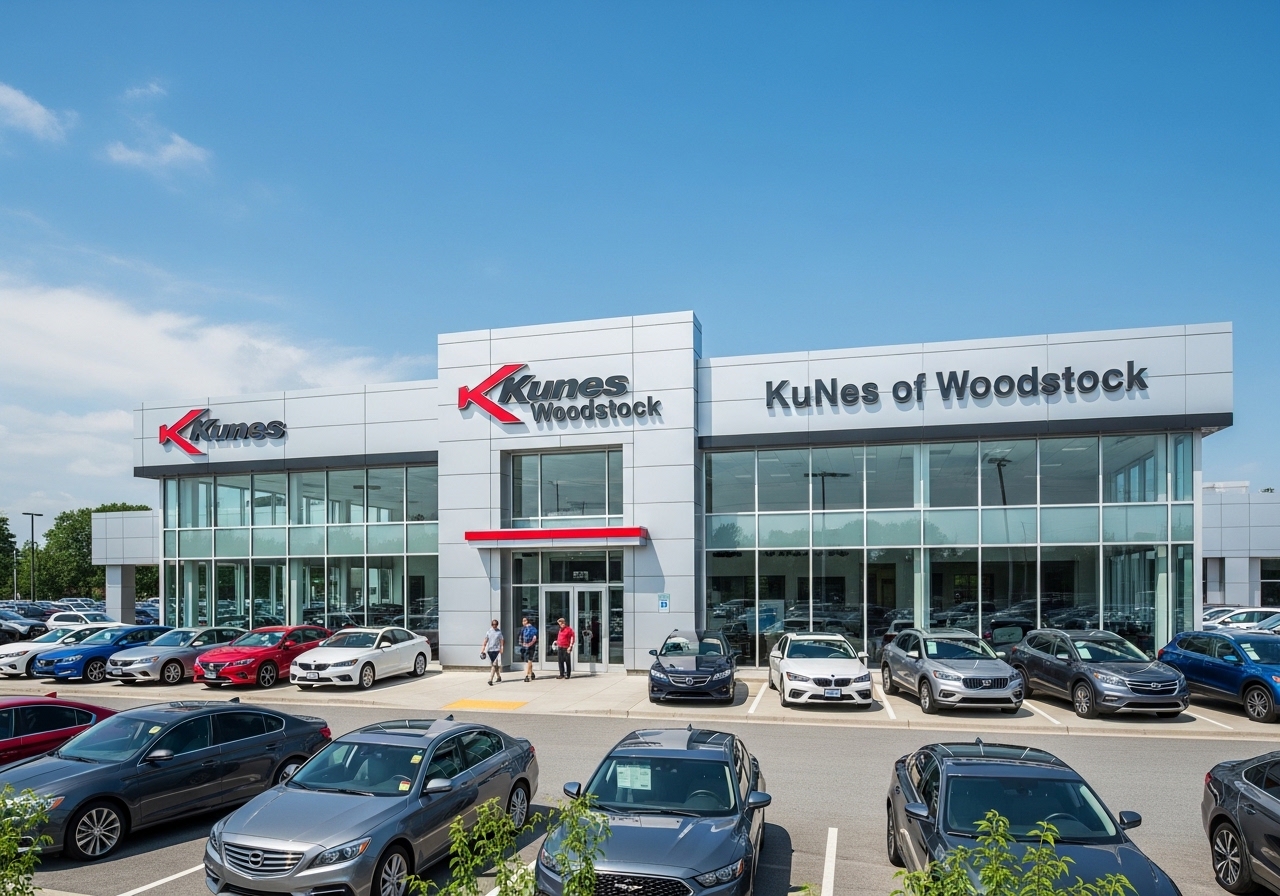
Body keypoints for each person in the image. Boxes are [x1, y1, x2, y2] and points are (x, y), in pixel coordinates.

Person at [480, 619, 504, 685]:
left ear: (497, 624)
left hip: (496, 650)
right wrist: (483, 649)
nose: (494, 625)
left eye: (495, 624)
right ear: (491, 625)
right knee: (495, 665)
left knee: (494, 665)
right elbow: (485, 640)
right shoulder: (488, 632)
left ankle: (490, 679)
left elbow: (501, 640)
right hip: (490, 650)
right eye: (493, 624)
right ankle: (499, 677)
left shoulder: (499, 632)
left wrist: (502, 648)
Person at [519, 616, 538, 682]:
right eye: (523, 621)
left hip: (530, 647)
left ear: (528, 621)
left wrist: (528, 644)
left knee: (529, 661)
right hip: (525, 647)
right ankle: (531, 673)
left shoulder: (532, 629)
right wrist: (522, 645)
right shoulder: (523, 629)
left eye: (524, 621)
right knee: (528, 661)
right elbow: (520, 638)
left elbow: (535, 638)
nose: (523, 622)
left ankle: (527, 675)